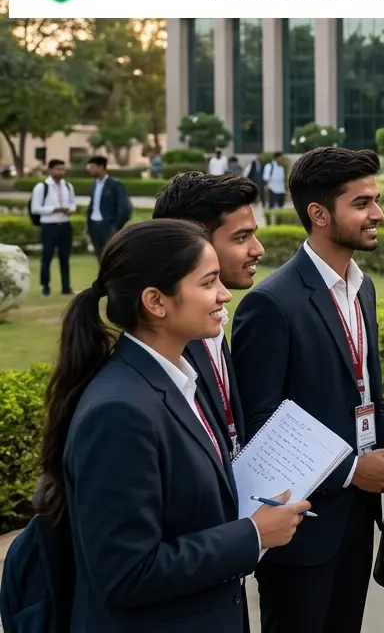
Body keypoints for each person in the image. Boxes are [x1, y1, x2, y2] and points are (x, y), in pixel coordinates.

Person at [39, 219, 309, 631]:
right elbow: (126, 571)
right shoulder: (119, 411)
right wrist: (251, 535)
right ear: (156, 301)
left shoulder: (179, 381)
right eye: (208, 282)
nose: (223, 295)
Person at [233, 146, 384, 632]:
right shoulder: (271, 304)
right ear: (318, 214)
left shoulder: (364, 286)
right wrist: (353, 470)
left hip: (357, 520)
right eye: (361, 203)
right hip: (300, 527)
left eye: (376, 200)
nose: (378, 214)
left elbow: (366, 390)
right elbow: (259, 424)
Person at [152, 172, 266, 461]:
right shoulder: (166, 344)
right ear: (191, 241)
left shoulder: (213, 319)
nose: (258, 249)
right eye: (241, 237)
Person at [29, 159, 77, 297]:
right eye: (58, 169)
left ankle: (66, 287)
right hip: (49, 225)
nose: (61, 172)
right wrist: (54, 209)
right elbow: (35, 208)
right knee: (47, 256)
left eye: (63, 169)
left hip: (65, 224)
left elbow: (73, 203)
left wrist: (70, 209)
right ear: (50, 170)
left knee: (64, 257)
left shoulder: (68, 186)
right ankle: (45, 287)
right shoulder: (41, 187)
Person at [84, 155, 132, 258]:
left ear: (101, 167)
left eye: (92, 167)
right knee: (99, 256)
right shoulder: (93, 185)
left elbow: (125, 208)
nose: (90, 170)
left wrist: (116, 227)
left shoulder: (115, 184)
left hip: (108, 226)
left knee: (110, 257)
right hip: (94, 226)